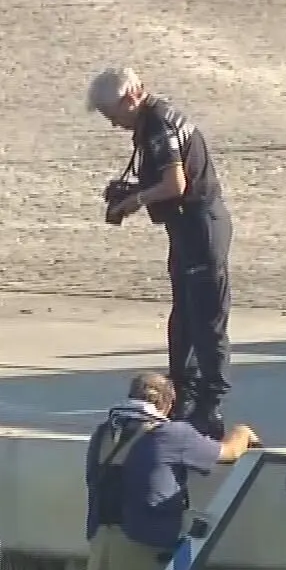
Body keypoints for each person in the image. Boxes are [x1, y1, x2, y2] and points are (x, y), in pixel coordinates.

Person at [88, 66, 235, 439]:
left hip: (200, 227)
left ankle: (208, 409)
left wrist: (135, 200)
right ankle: (182, 399)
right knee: (185, 318)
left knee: (206, 321)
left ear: (129, 98)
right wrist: (134, 188)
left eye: (111, 115)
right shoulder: (158, 120)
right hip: (189, 227)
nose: (112, 124)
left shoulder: (157, 126)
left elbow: (176, 183)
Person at [80, 372, 261, 570]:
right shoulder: (172, 435)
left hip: (99, 552)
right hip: (140, 555)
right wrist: (242, 432)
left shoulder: (102, 434)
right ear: (168, 404)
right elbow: (228, 453)